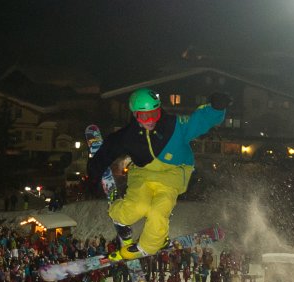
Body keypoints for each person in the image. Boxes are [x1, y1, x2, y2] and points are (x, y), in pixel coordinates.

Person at [88, 88, 230, 261]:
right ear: (135, 115)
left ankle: (148, 246)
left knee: (157, 212)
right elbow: (108, 150)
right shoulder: (127, 137)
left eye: (154, 114)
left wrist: (216, 109)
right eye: (144, 116)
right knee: (136, 207)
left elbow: (198, 121)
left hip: (172, 176)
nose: (151, 121)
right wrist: (93, 171)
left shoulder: (174, 126)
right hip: (143, 175)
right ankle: (119, 216)